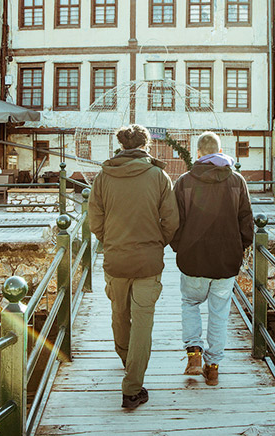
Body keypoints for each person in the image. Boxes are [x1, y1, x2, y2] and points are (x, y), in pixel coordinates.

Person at [88, 124, 179, 409]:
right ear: (145, 146)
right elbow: (172, 220)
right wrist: (157, 242)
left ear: (121, 146)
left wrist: (110, 241)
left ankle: (127, 359)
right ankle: (132, 388)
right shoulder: (158, 176)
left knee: (119, 313)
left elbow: (95, 220)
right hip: (147, 261)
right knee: (142, 322)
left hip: (115, 258)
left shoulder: (104, 176)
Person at [171, 131, 254, 386]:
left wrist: (179, 247)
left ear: (198, 153)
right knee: (219, 312)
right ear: (219, 151)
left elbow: (175, 221)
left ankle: (194, 353)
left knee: (190, 303)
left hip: (193, 258)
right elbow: (246, 219)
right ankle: (213, 367)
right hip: (225, 260)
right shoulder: (236, 180)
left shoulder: (184, 181)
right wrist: (241, 247)